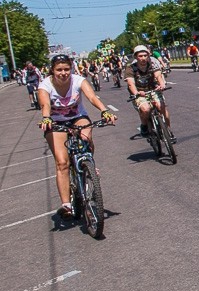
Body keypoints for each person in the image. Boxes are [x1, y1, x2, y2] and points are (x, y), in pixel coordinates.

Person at [37, 54, 116, 219]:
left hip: (77, 118)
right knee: (62, 163)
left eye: (66, 69)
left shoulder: (78, 80)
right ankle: (66, 204)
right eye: (59, 69)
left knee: (86, 139)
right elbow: (45, 104)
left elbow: (92, 97)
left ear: (71, 68)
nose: (63, 73)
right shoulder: (45, 85)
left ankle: (88, 164)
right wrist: (46, 118)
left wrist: (105, 110)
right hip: (56, 123)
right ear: (52, 70)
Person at [125, 45, 173, 141]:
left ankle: (168, 130)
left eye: (145, 55)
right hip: (139, 92)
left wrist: (162, 85)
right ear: (135, 57)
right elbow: (131, 84)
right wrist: (137, 93)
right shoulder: (130, 68)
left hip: (153, 89)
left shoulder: (152, 63)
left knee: (161, 106)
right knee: (146, 109)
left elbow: (158, 76)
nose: (143, 58)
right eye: (140, 56)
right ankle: (144, 126)